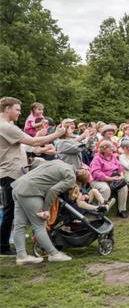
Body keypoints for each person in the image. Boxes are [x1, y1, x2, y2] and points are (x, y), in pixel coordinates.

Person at [0, 97, 66, 257]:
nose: (20, 112)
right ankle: (3, 247)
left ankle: (10, 244)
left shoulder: (7, 126)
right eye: (17, 109)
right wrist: (57, 134)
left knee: (14, 211)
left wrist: (40, 151)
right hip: (11, 173)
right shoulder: (6, 126)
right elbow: (32, 141)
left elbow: (21, 145)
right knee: (11, 210)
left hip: (13, 172)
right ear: (7, 108)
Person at [11, 159, 75, 264]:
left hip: (18, 187)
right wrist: (46, 209)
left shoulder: (58, 161)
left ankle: (21, 256)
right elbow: (53, 191)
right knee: (39, 226)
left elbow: (37, 163)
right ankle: (54, 254)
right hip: (30, 191)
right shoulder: (71, 176)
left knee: (19, 225)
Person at [90, 141, 129, 218]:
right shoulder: (97, 159)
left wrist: (121, 175)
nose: (112, 148)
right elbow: (96, 173)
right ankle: (100, 212)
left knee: (123, 186)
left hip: (113, 178)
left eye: (112, 147)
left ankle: (122, 210)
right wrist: (110, 178)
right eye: (110, 147)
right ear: (103, 149)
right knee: (105, 189)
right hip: (99, 180)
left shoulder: (113, 157)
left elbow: (120, 167)